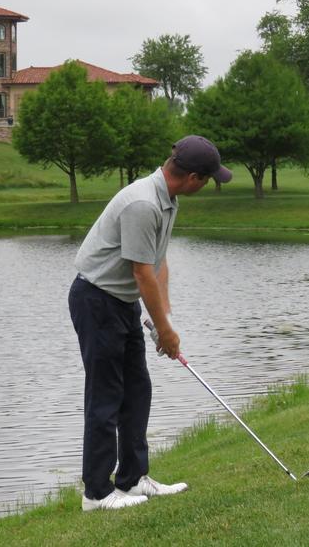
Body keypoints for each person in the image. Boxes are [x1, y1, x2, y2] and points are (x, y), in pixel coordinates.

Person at [68, 135, 232, 511]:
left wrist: (163, 322)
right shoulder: (143, 203)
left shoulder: (167, 200)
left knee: (137, 390)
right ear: (192, 177)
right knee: (106, 396)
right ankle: (96, 493)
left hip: (122, 301)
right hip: (97, 301)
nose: (209, 185)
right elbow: (141, 272)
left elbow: (157, 263)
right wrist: (166, 332)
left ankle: (132, 479)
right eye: (208, 179)